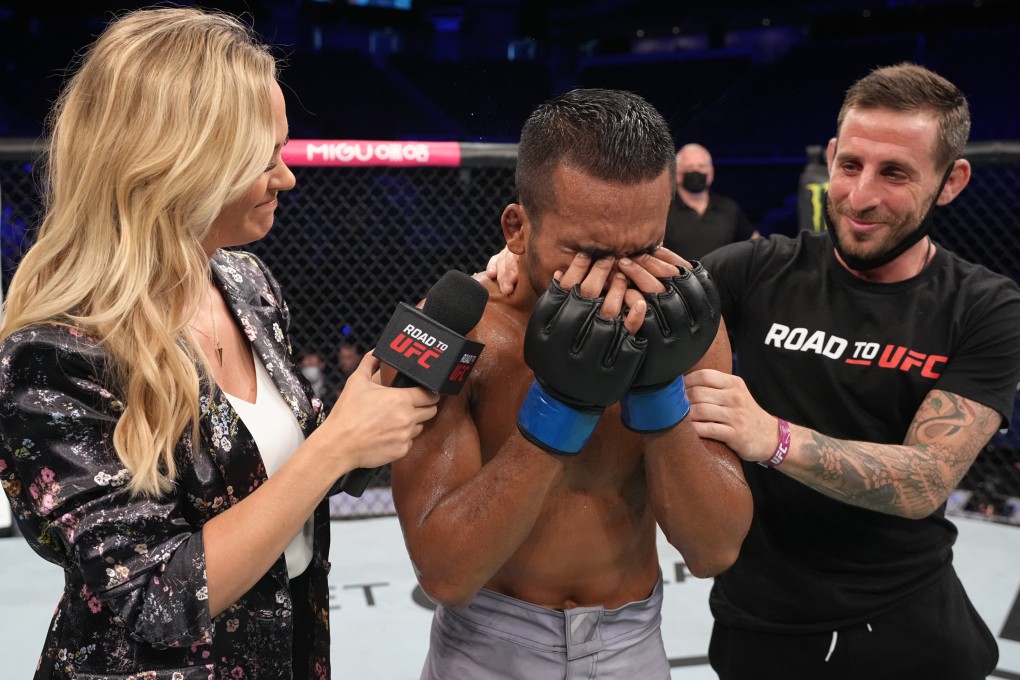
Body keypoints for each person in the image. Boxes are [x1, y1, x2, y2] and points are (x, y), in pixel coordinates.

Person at [0, 8, 439, 679]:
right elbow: (152, 600)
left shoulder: (243, 279)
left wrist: (382, 400)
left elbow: (273, 465)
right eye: (263, 159)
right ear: (180, 166)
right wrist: (334, 447)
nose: (287, 177)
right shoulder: (55, 353)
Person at [392, 88, 753, 679]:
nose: (618, 275)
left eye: (643, 248)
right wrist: (559, 406)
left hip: (630, 644)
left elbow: (714, 550)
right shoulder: (459, 328)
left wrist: (660, 391)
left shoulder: (684, 327)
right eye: (586, 251)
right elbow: (446, 574)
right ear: (517, 229)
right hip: (486, 648)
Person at [682, 63, 1020, 679]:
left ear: (951, 181)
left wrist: (773, 438)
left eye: (895, 173)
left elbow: (925, 479)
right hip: (759, 620)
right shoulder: (752, 271)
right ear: (832, 156)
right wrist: (519, 268)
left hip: (905, 623)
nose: (861, 197)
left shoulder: (985, 307)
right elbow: (633, 302)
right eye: (850, 166)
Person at [662, 143, 757, 260]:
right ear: (676, 174)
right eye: (689, 168)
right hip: (676, 278)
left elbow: (756, 246)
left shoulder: (729, 208)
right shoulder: (661, 209)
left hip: (721, 278)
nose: (696, 171)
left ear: (711, 173)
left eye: (701, 166)